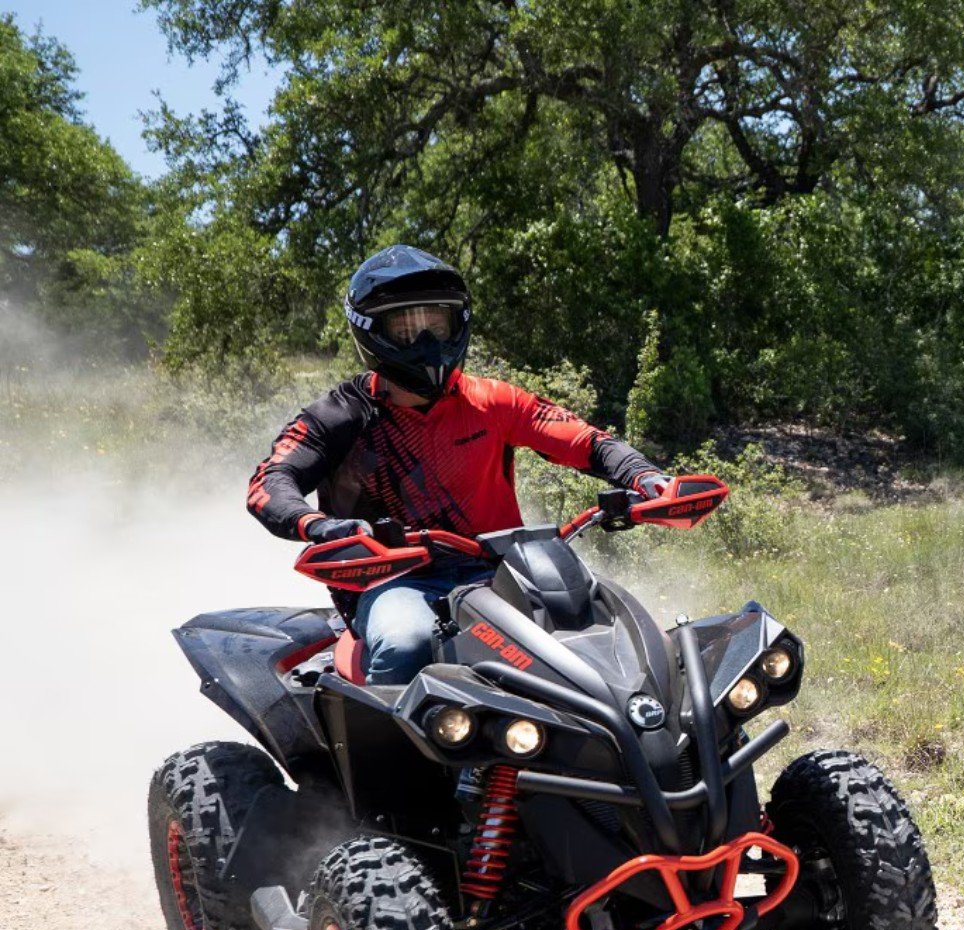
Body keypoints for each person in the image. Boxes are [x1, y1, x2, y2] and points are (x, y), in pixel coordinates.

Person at [248, 243, 672, 684]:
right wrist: (318, 525)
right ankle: (395, 751)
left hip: (507, 571)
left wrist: (644, 476)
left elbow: (587, 441)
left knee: (614, 631)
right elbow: (270, 482)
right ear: (372, 332)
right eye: (408, 328)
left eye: (437, 323)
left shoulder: (494, 400)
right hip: (394, 579)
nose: (427, 341)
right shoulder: (340, 415)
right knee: (406, 644)